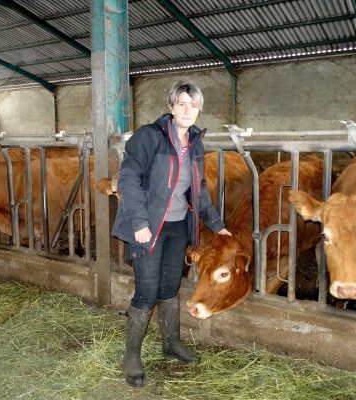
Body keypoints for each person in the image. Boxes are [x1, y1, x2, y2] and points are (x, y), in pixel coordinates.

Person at [112, 81, 231, 387]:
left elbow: (199, 189)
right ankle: (131, 357)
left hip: (179, 227)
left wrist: (217, 225)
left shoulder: (196, 143)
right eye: (181, 103)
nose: (187, 110)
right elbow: (128, 179)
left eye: (193, 105)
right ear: (171, 107)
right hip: (149, 228)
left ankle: (171, 343)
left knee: (169, 287)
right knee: (147, 291)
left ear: (199, 109)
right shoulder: (149, 137)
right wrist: (139, 222)